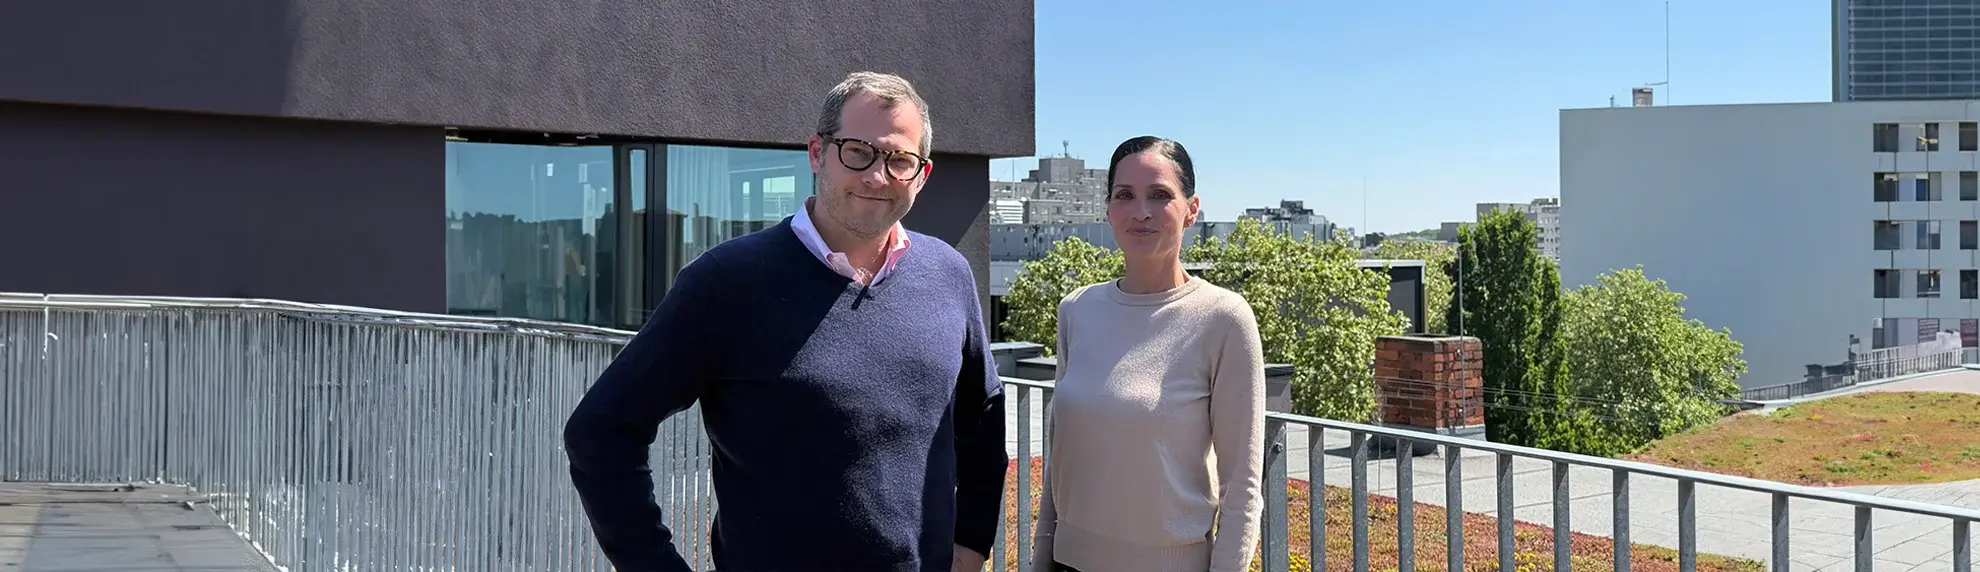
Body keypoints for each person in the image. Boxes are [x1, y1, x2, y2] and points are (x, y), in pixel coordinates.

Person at [563, 71, 1007, 572]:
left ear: (922, 174)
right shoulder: (727, 281)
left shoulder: (948, 273)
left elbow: (982, 414)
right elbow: (600, 432)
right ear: (818, 153)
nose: (878, 176)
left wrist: (971, 541)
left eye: (899, 160)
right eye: (858, 152)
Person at [1029, 136, 1267, 572]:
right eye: (1125, 196)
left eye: (1159, 196)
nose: (1140, 212)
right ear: (1108, 209)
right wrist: (1041, 556)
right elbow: (1061, 459)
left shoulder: (1224, 318)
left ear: (1191, 209)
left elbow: (1243, 488)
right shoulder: (1077, 309)